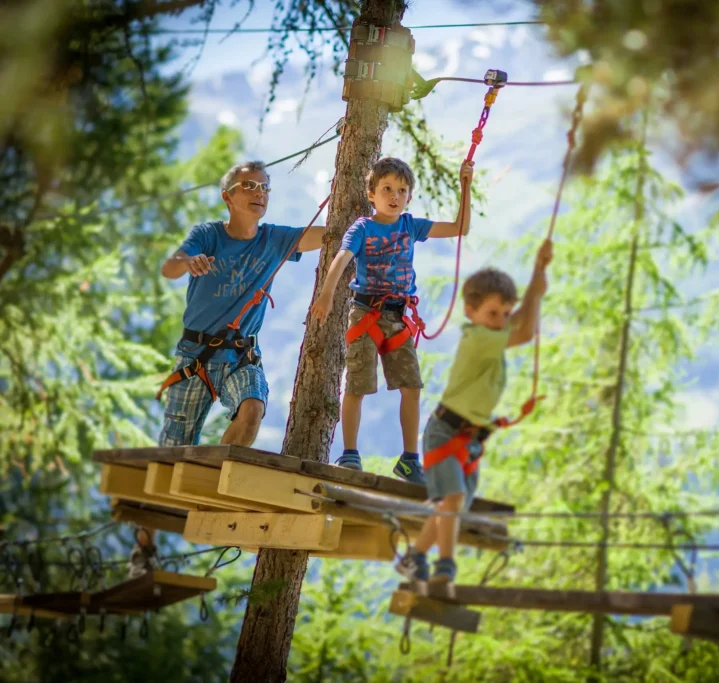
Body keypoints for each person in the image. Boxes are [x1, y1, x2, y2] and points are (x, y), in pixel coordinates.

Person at [128, 160, 325, 578]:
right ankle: (144, 549)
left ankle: (213, 491)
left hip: (240, 357)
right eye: (248, 185)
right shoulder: (209, 236)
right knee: (170, 453)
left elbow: (329, 234)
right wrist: (189, 262)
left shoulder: (276, 240)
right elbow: (170, 265)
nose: (259, 192)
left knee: (253, 408)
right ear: (228, 197)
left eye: (265, 187)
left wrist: (372, 217)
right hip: (195, 360)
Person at [395, 239, 553, 583]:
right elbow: (526, 330)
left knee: (451, 507)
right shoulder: (479, 338)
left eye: (504, 314)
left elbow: (521, 321)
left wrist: (538, 275)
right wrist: (536, 290)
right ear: (471, 311)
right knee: (452, 500)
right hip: (446, 433)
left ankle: (416, 556)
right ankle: (445, 568)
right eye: (492, 314)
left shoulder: (491, 334)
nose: (500, 322)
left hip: (465, 439)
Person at [310, 157, 474, 485]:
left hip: (398, 317)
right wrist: (327, 294)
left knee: (412, 387)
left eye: (401, 190)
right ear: (372, 194)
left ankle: (410, 459)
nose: (394, 196)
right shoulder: (363, 228)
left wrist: (465, 186)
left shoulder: (410, 226)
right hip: (366, 313)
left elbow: (460, 228)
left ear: (409, 197)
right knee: (357, 383)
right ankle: (350, 453)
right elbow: (342, 258)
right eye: (387, 189)